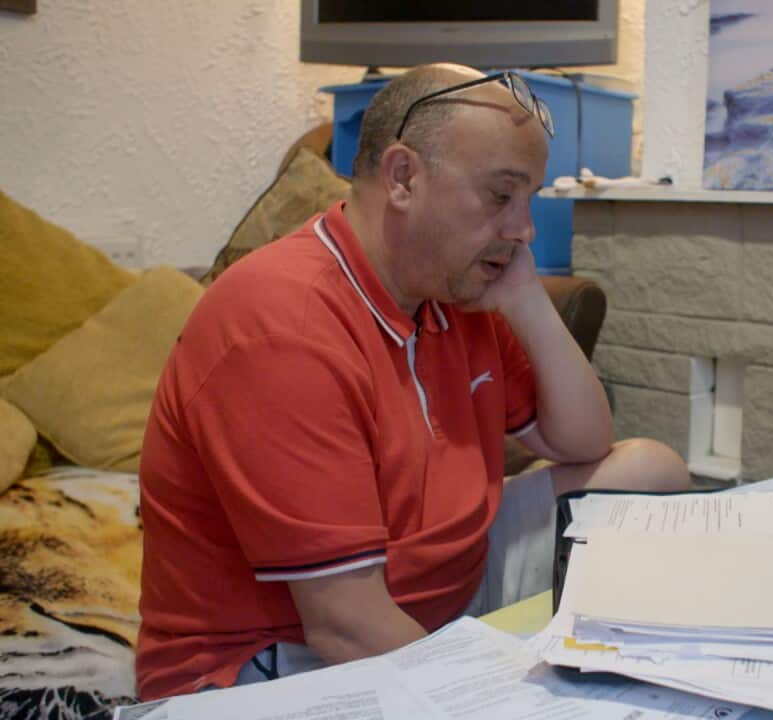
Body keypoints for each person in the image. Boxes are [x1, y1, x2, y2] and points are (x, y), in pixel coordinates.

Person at [135, 63, 691, 700]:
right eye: (500, 195)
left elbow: (586, 443)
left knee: (650, 470)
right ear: (403, 177)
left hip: (433, 587)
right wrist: (504, 698)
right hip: (268, 657)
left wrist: (528, 301)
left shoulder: (454, 285)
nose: (524, 229)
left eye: (529, 199)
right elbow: (344, 626)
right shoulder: (281, 327)